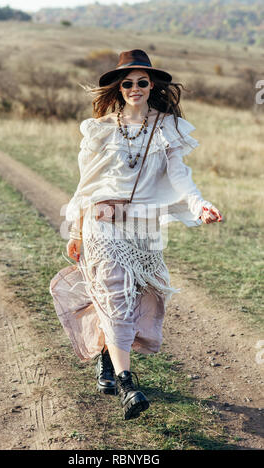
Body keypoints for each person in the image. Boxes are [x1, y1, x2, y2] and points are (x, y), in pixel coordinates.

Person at [50, 49, 223, 421]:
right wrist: (77, 228)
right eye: (127, 82)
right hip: (101, 222)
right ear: (118, 86)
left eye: (142, 82)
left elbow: (180, 175)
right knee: (114, 291)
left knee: (130, 298)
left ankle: (105, 357)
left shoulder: (169, 127)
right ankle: (128, 383)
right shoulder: (99, 130)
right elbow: (86, 184)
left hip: (143, 226)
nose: (134, 88)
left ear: (152, 84)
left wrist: (198, 204)